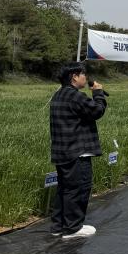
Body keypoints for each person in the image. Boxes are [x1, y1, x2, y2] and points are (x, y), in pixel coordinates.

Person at [49, 62, 108, 239]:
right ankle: (73, 228)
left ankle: (58, 226)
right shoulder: (75, 96)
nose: (86, 77)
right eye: (83, 75)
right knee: (78, 188)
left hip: (62, 152)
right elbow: (97, 111)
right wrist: (98, 93)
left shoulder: (58, 94)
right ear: (74, 77)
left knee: (64, 189)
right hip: (77, 152)